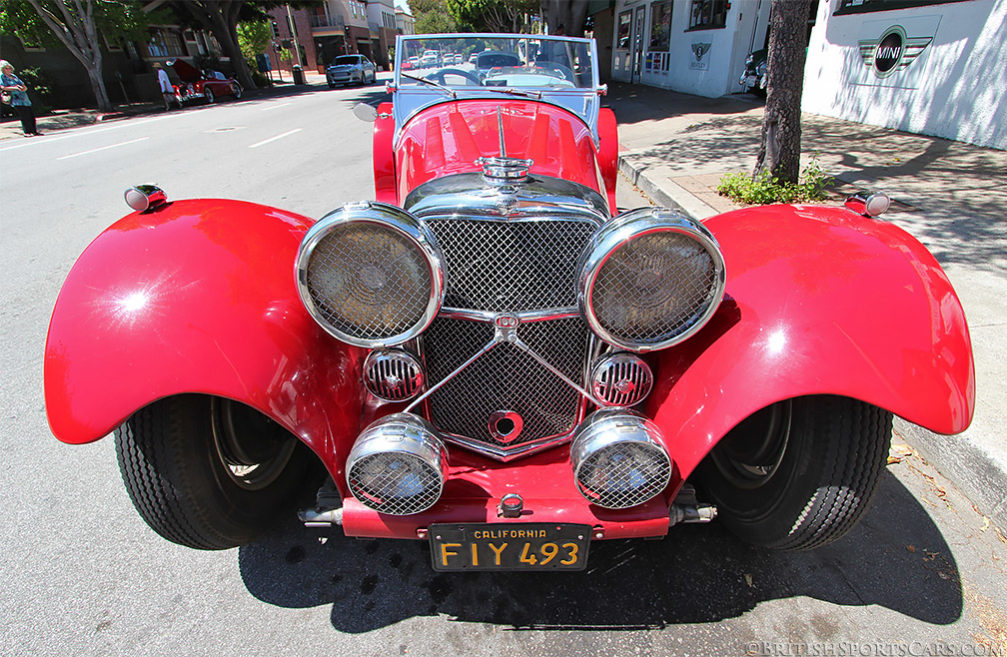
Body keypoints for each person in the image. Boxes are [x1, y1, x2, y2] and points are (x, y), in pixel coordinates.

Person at [0, 60, 41, 137]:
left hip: (24, 98)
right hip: (16, 99)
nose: (8, 70)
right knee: (24, 115)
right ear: (2, 69)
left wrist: (23, 88)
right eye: (6, 68)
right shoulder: (2, 77)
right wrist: (14, 88)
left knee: (31, 115)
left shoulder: (14, 76)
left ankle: (34, 131)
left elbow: (22, 84)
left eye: (9, 68)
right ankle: (27, 132)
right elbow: (3, 87)